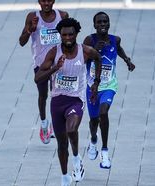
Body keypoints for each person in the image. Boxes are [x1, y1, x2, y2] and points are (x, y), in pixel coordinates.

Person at [35, 18, 102, 186]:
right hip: (57, 102)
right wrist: (55, 68)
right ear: (60, 35)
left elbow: (98, 58)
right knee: (62, 143)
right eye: (64, 35)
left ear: (76, 34)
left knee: (71, 129)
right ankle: (65, 176)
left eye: (71, 34)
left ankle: (77, 158)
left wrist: (96, 82)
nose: (67, 38)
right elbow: (37, 79)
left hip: (76, 100)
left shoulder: (85, 51)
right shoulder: (53, 53)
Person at [83, 11, 135, 169]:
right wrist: (95, 50)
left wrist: (127, 60)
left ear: (109, 23)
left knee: (103, 112)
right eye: (99, 22)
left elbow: (118, 49)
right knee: (94, 121)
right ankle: (93, 140)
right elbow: (82, 59)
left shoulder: (115, 39)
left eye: (105, 22)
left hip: (109, 86)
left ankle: (105, 152)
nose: (102, 25)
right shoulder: (89, 40)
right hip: (92, 88)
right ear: (94, 25)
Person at [19, 0, 68, 144]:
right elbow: (21, 42)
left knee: (57, 95)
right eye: (43, 0)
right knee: (43, 95)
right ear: (39, 1)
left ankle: (55, 123)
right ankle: (44, 123)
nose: (46, 3)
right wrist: (30, 30)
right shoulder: (32, 17)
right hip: (40, 65)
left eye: (49, 0)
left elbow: (69, 38)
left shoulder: (63, 16)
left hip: (58, 64)